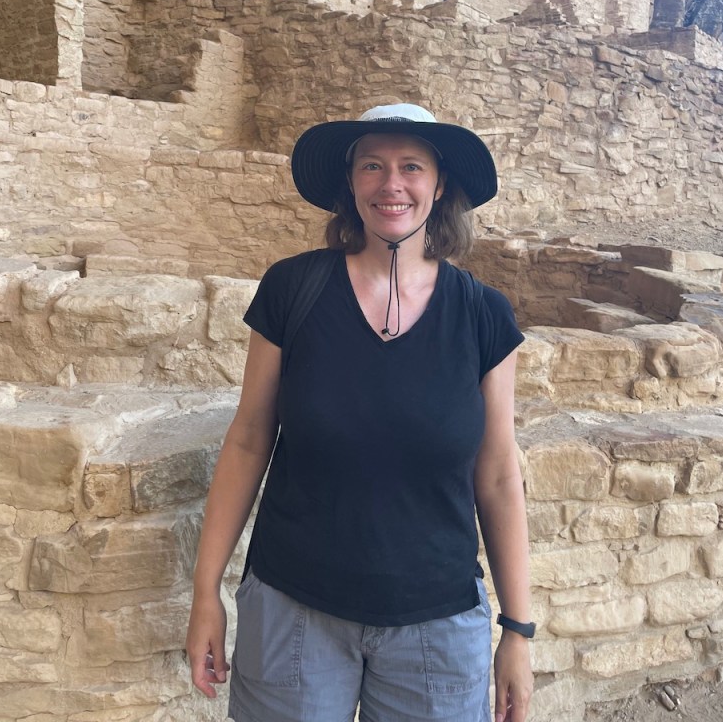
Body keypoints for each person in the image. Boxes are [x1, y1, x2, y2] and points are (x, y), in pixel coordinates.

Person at [186, 103, 534, 722]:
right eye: (372, 165)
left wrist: (518, 630)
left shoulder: (483, 314)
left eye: (411, 167)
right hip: (294, 610)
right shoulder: (293, 289)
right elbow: (248, 441)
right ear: (350, 182)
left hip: (436, 624)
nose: (391, 184)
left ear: (440, 183)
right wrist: (205, 591)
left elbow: (500, 473)